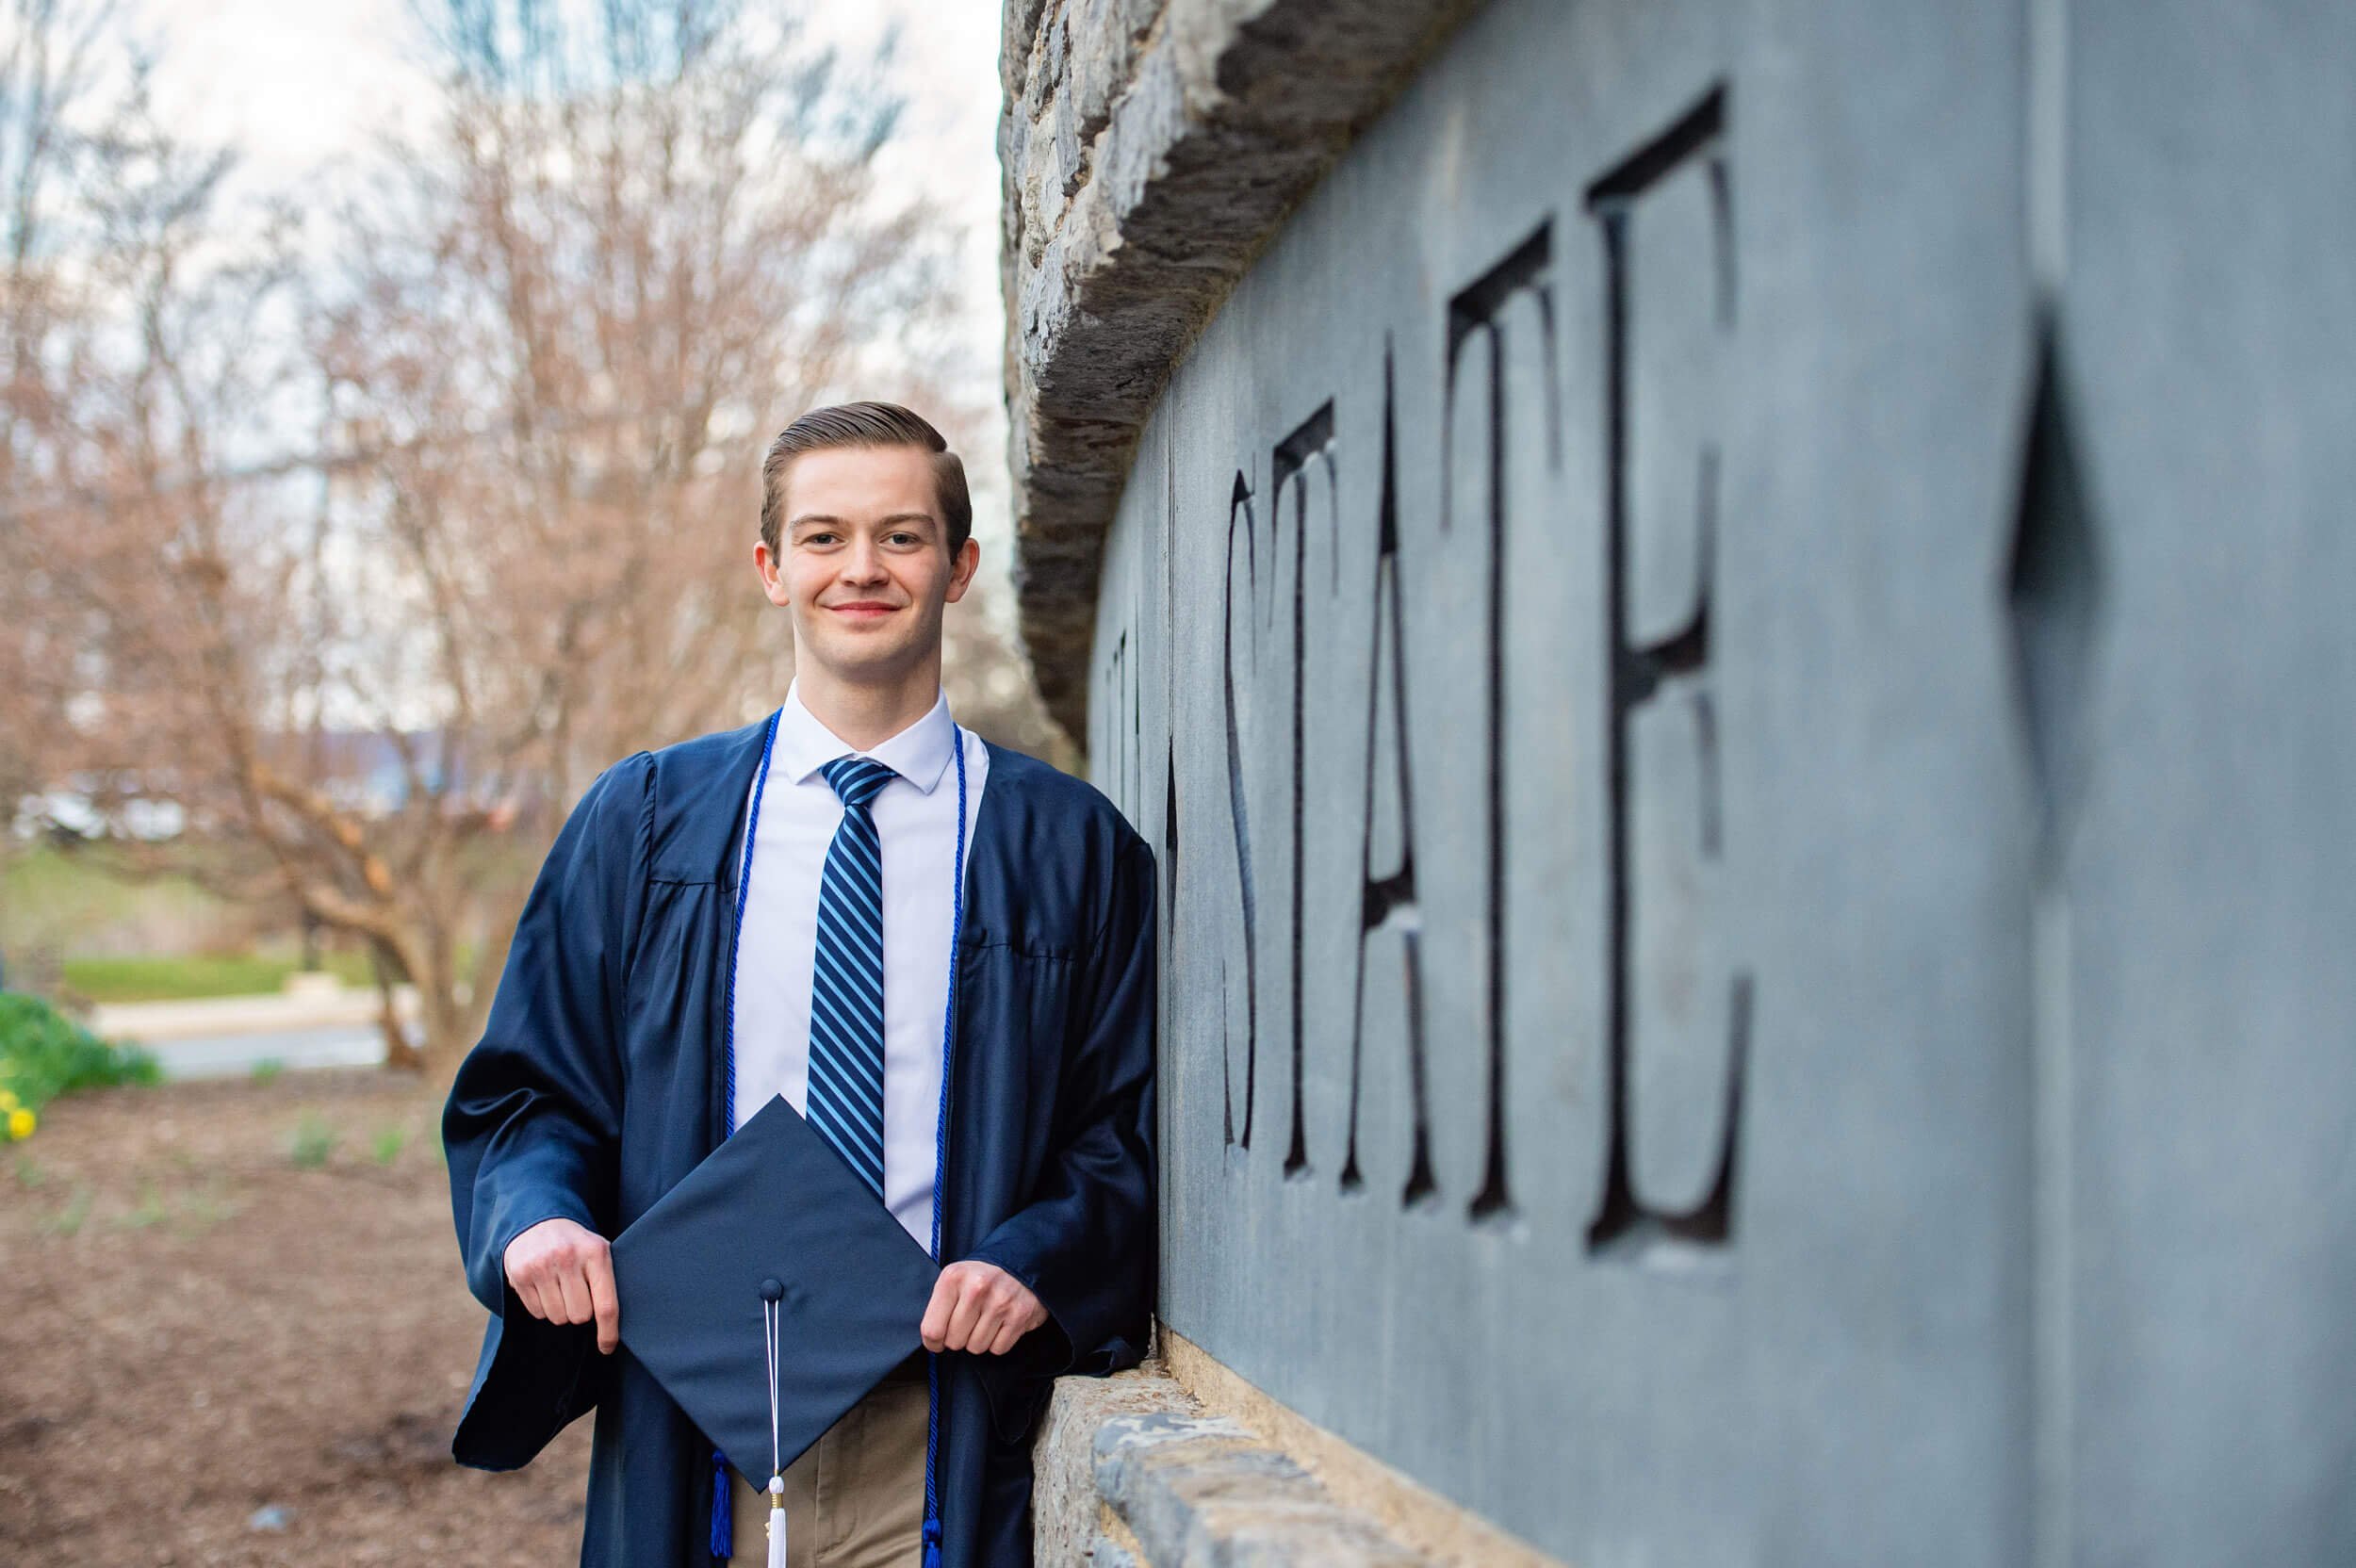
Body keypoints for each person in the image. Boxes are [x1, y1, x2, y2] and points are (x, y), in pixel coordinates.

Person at [441, 401, 1158, 1567]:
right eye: (823, 538)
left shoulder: (1068, 849)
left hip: (942, 1421)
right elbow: (530, 1093)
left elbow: (1121, 1129)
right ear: (772, 569)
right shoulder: (647, 823)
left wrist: (1039, 1257)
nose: (861, 568)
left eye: (902, 536)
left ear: (960, 566)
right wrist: (538, 1219)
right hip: (698, 1407)